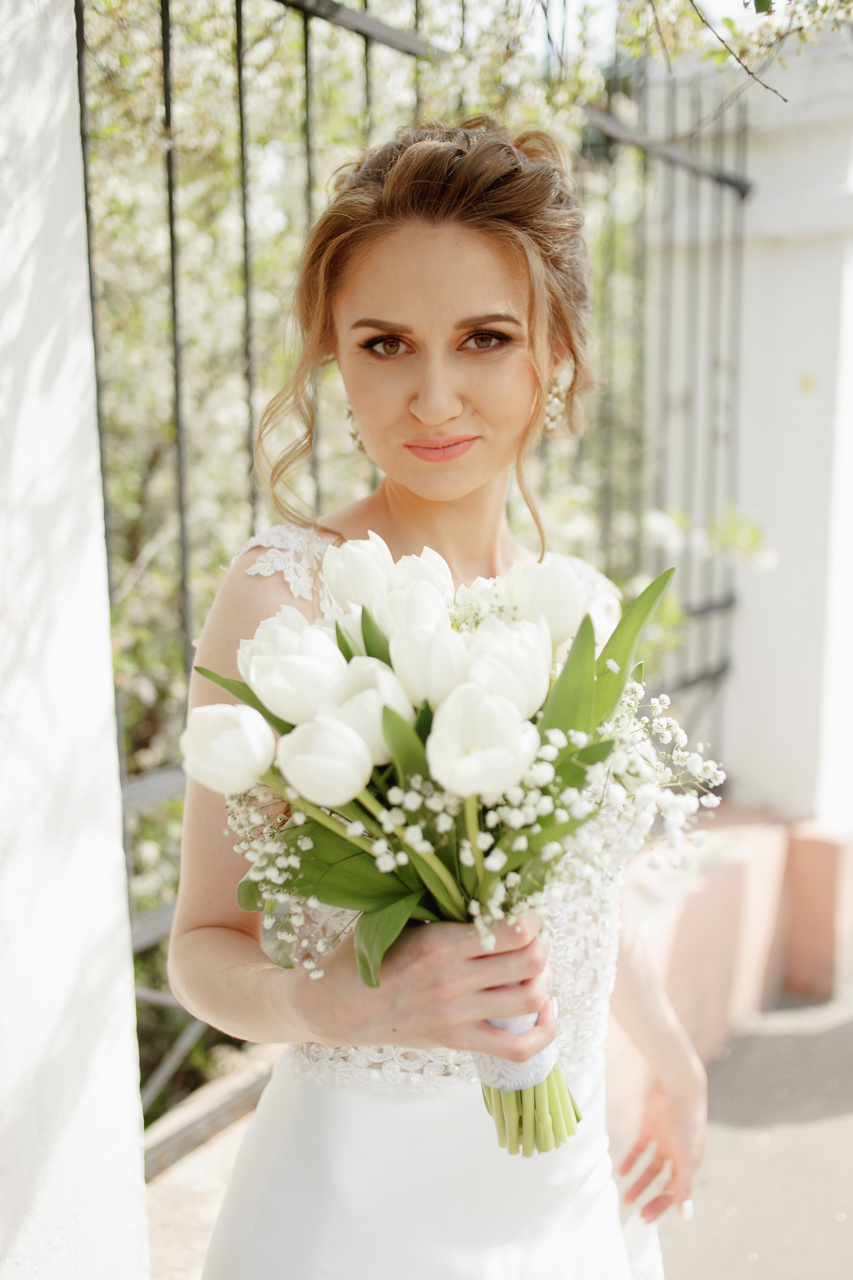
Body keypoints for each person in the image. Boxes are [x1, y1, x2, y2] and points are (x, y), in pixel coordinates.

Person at [168, 118, 707, 1280]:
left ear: (550, 353)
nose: (433, 394)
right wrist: (334, 1004)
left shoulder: (584, 610)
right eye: (384, 343)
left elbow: (588, 900)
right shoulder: (282, 596)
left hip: (564, 1185)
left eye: (483, 337)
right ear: (336, 360)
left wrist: (668, 1054)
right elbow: (202, 947)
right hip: (356, 1209)